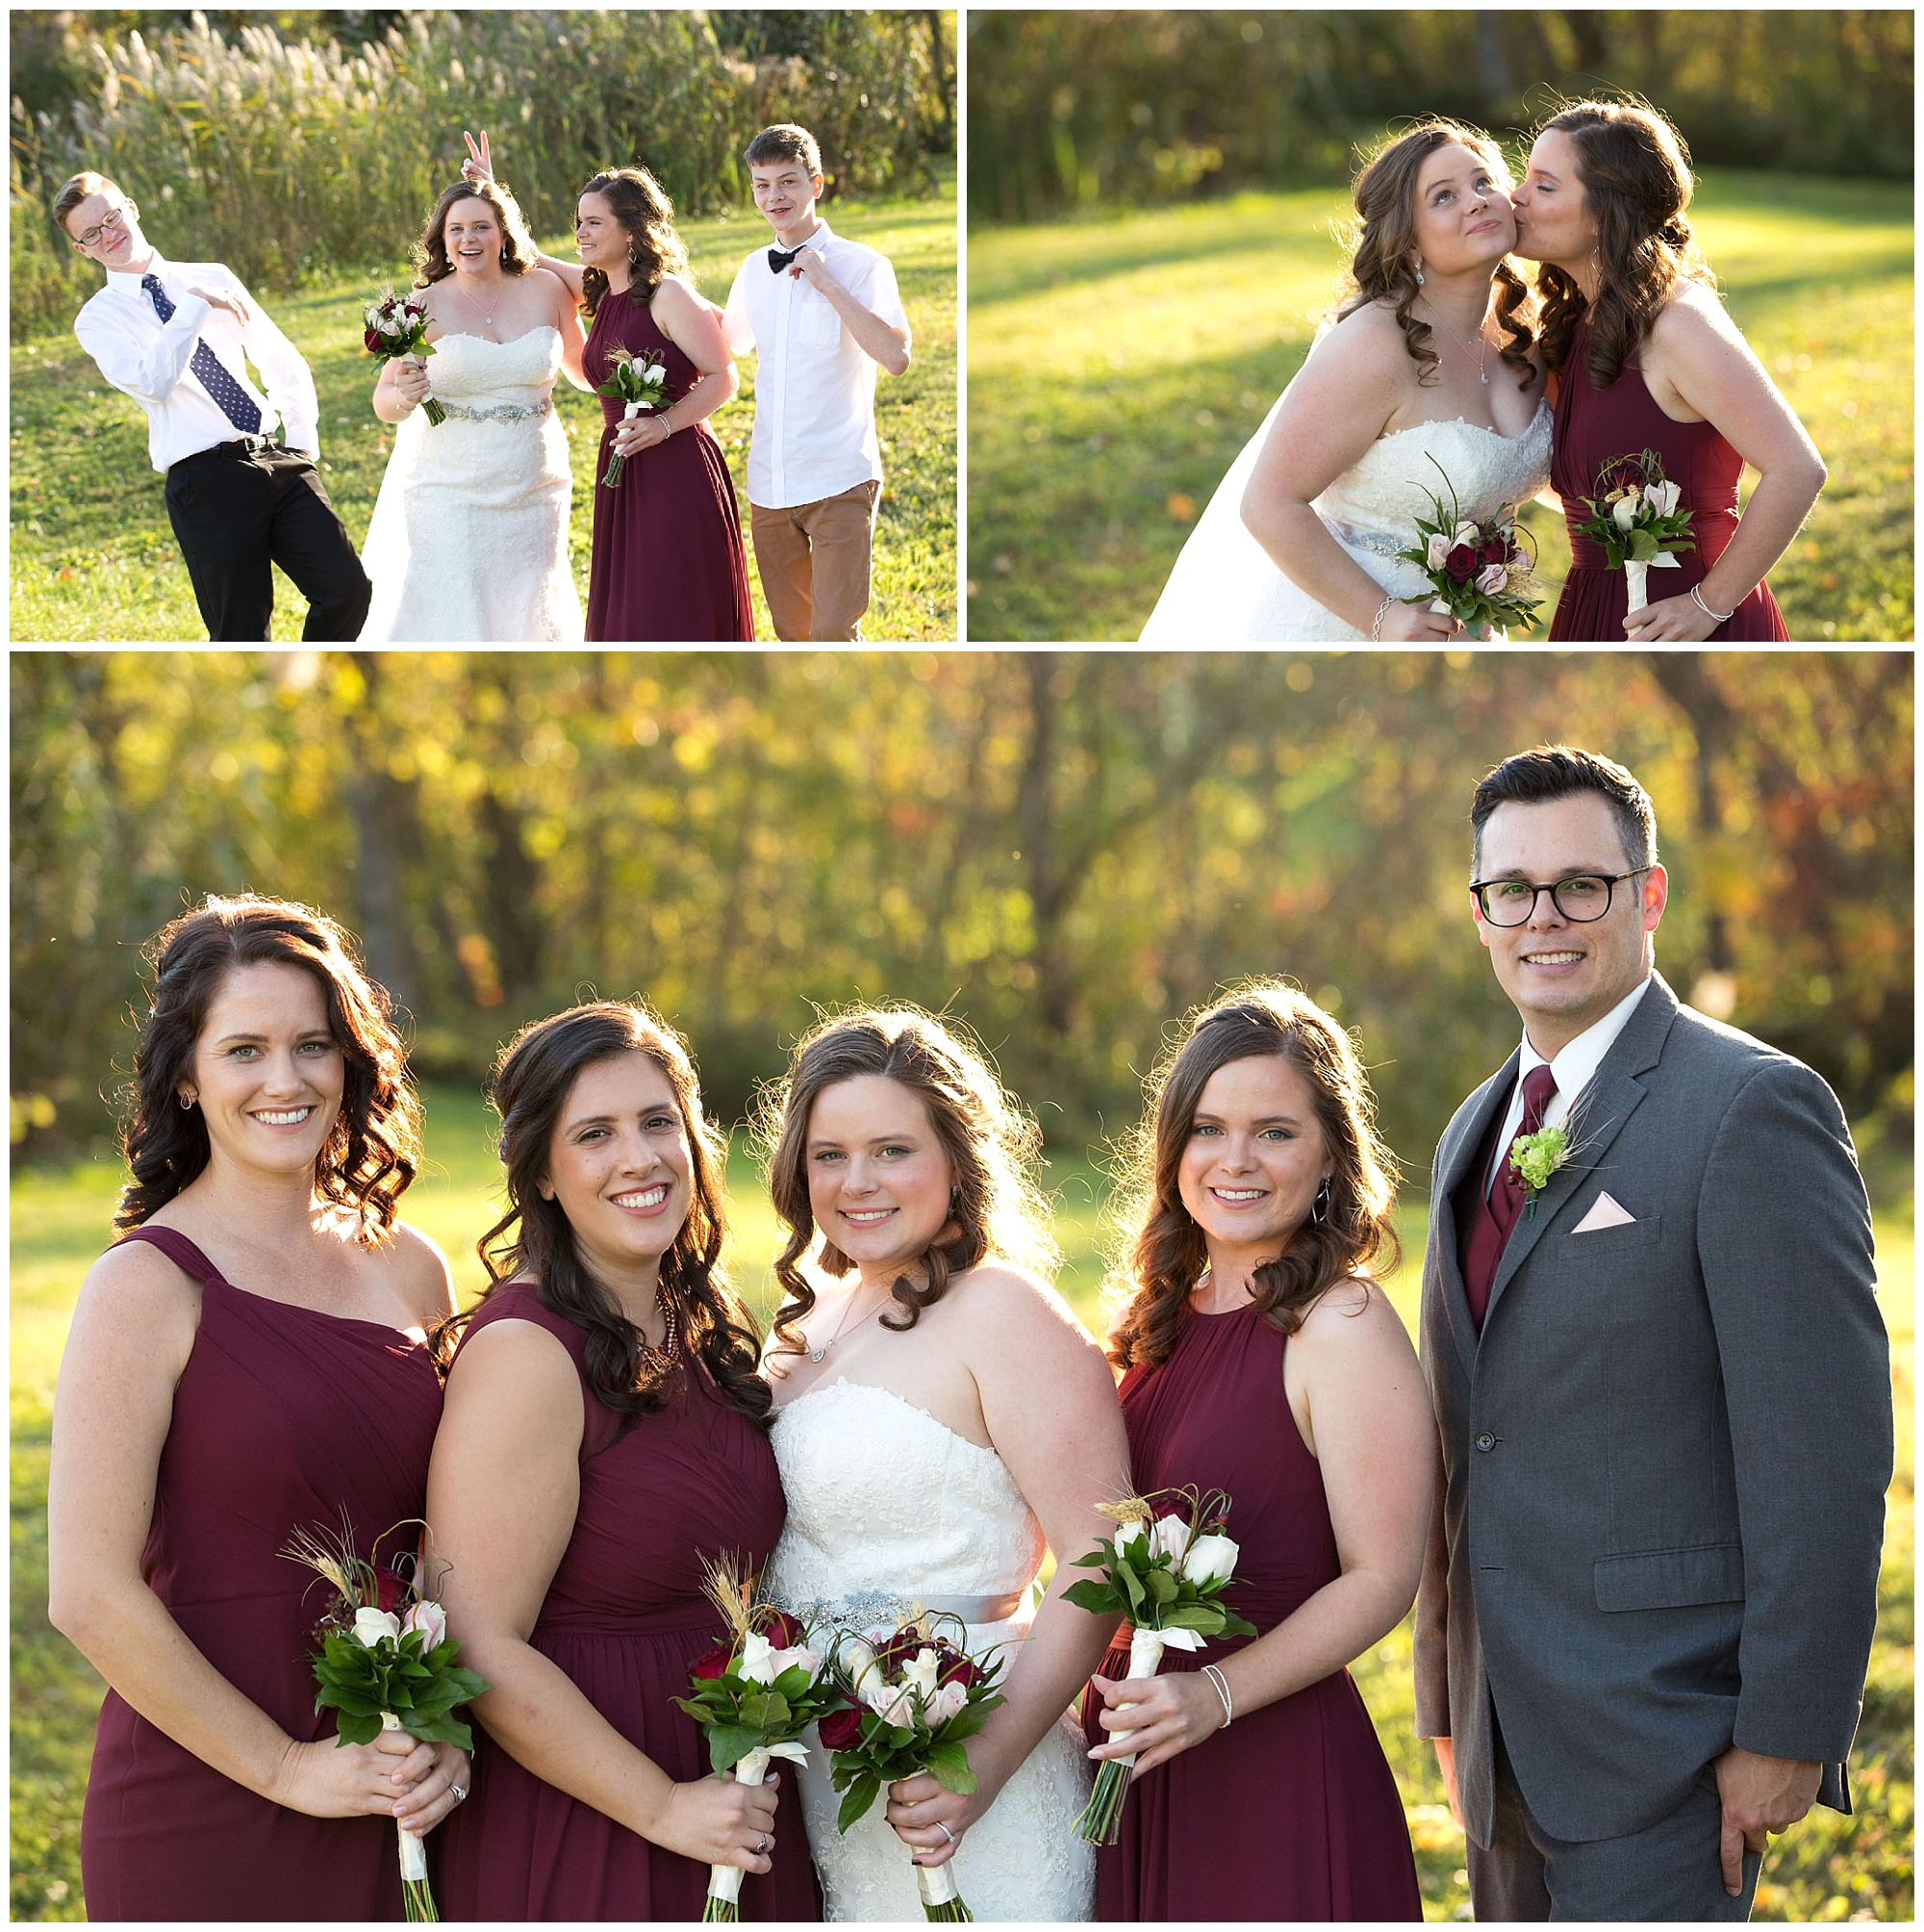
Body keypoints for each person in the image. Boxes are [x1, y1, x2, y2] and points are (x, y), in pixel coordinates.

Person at [1416, 745, 1891, 1919]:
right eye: (1511, 890)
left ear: (1650, 895)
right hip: (1498, 1739)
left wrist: (1786, 1730)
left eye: (1582, 883)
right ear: (1478, 911)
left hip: (1666, 1737)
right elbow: (1462, 1437)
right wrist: (1442, 1691)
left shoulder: (1748, 1107)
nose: (1545, 917)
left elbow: (1821, 1456)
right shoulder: (1469, 1129)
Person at [47, 895, 463, 1919]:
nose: (286, 1079)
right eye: (244, 1049)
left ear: (350, 1060)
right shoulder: (146, 1285)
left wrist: (448, 1733)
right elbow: (89, 1594)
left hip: (398, 1782)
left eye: (312, 1044)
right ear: (186, 1077)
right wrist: (287, 1768)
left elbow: (453, 1548)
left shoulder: (410, 1269)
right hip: (206, 1797)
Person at [426, 1002, 819, 1919]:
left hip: (731, 1793)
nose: (638, 1159)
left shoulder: (688, 1321)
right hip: (596, 1816)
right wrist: (663, 1807)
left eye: (657, 1123)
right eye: (594, 1135)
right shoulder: (529, 1354)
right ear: (545, 1175)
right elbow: (476, 1637)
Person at [756, 1006, 1127, 1919]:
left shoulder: (1003, 1312)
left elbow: (1098, 1557)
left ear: (956, 1159)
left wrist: (986, 1763)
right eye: (828, 1154)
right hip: (826, 1783)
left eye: (892, 1150)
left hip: (975, 1774)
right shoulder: (806, 1324)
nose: (857, 1182)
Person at [1084, 984, 1429, 1920]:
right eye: (1207, 1128)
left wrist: (1215, 1697)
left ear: (1327, 1160)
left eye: (1273, 1131)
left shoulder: (1340, 1325)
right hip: (1136, 1757)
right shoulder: (1158, 1321)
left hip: (1266, 1765)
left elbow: (1382, 1575)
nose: (1233, 1159)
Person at [1141, 120, 1550, 642]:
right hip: (1349, 627)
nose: (1475, 201)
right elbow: (1268, 504)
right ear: (1409, 244)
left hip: (1465, 631)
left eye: (1483, 182)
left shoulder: (1523, 337)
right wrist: (1384, 618)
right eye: (1444, 197)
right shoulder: (1374, 345)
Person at [1511, 102, 1819, 640]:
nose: (1517, 195)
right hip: (1596, 609)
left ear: (1605, 213)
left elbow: (1797, 469)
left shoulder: (1676, 323)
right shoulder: (1578, 322)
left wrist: (1706, 606)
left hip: (1689, 622)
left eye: (1545, 185)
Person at [58, 171, 370, 642]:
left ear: (131, 208)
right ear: (82, 249)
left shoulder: (212, 274)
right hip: (205, 484)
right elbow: (153, 382)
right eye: (91, 233)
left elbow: (279, 357)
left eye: (111, 217)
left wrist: (302, 442)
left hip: (277, 460)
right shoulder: (98, 320)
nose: (108, 234)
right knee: (242, 634)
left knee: (348, 591)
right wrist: (194, 307)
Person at [360, 173, 587, 642]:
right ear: (442, 240)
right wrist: (404, 393)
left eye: (482, 226)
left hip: (535, 483)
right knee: (458, 611)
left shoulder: (547, 289)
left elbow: (585, 372)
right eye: (457, 229)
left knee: (531, 603)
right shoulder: (420, 307)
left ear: (504, 233)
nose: (469, 239)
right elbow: (385, 403)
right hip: (449, 488)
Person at [722, 125, 912, 642]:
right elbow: (726, 342)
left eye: (787, 182)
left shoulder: (863, 266)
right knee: (794, 636)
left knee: (832, 634)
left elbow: (896, 357)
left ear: (816, 184)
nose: (774, 197)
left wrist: (829, 284)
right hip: (771, 482)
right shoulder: (753, 270)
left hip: (839, 478)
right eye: (762, 185)